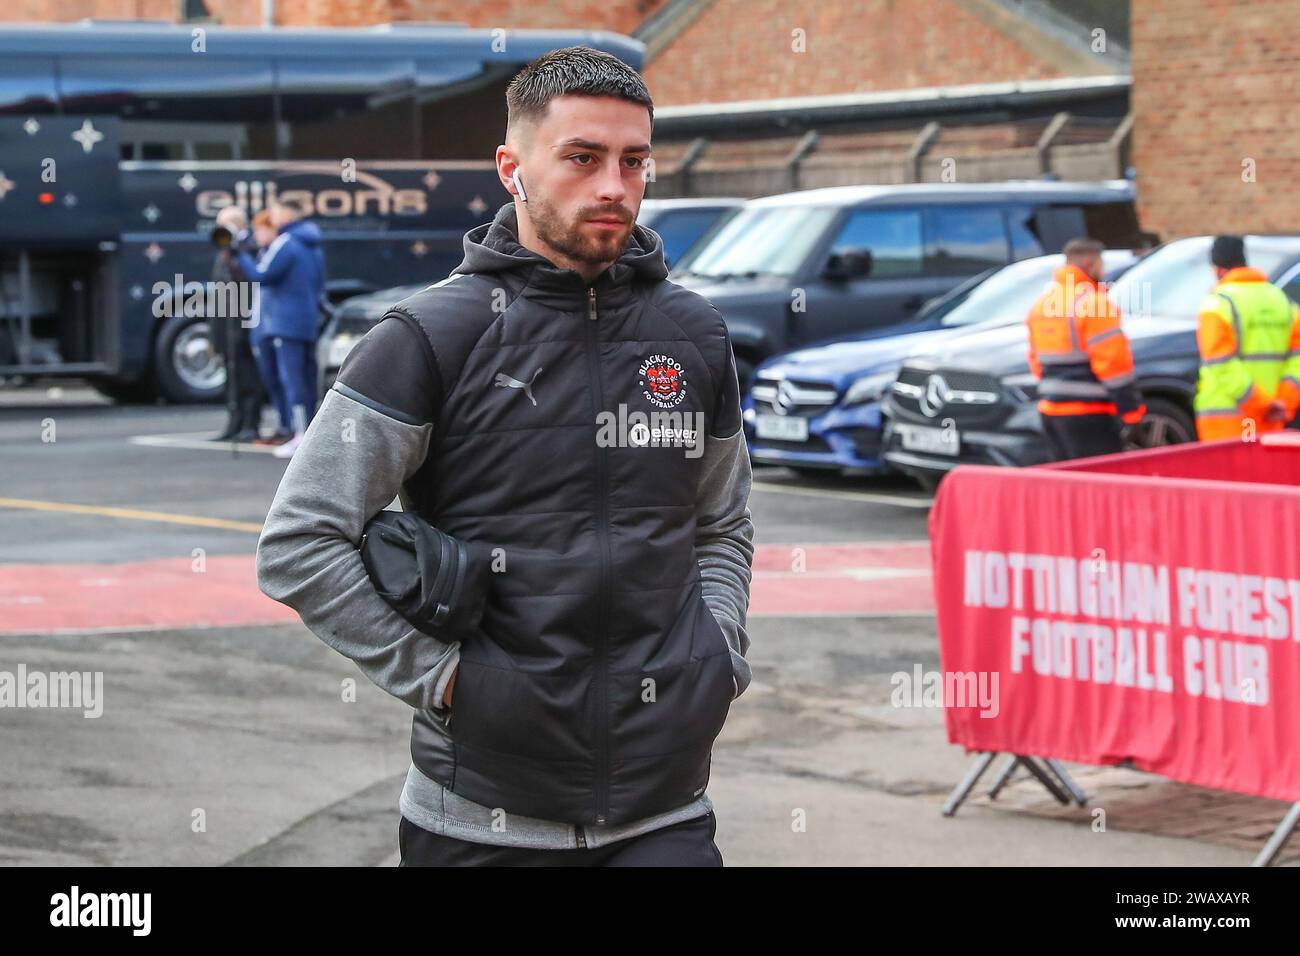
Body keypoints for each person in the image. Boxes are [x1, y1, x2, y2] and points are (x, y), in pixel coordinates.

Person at [255, 46, 755, 866]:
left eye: (634, 162)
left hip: (666, 815)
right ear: (511, 168)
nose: (613, 187)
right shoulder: (426, 339)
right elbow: (299, 544)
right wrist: (452, 684)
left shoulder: (693, 335)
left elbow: (721, 523)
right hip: (479, 821)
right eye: (582, 158)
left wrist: (716, 655)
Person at [1026, 237, 1146, 460]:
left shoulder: (1042, 304)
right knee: (1102, 484)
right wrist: (1131, 412)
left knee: (1070, 486)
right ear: (1091, 263)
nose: (1103, 270)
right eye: (1101, 264)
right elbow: (1114, 365)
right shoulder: (1094, 303)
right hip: (1090, 414)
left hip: (1050, 411)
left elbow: (1035, 362)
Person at [238, 204, 326, 459]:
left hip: (285, 322)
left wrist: (241, 254)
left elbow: (261, 275)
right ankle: (310, 432)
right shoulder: (312, 244)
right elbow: (319, 282)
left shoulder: (286, 243)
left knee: (293, 380)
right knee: (307, 381)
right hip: (306, 320)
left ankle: (300, 436)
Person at [1193, 234, 1300, 441]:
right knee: (1265, 472)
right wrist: (1283, 401)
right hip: (1272, 417)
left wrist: (1259, 402)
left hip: (1227, 420)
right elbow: (1297, 362)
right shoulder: (1283, 302)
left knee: (1229, 474)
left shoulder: (1217, 304)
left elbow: (1220, 363)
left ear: (1218, 269)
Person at [209, 206, 265, 442]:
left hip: (244, 317)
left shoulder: (249, 247)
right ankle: (234, 422)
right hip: (227, 316)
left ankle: (250, 423)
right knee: (232, 372)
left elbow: (252, 278)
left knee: (247, 371)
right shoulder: (225, 249)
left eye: (225, 223)